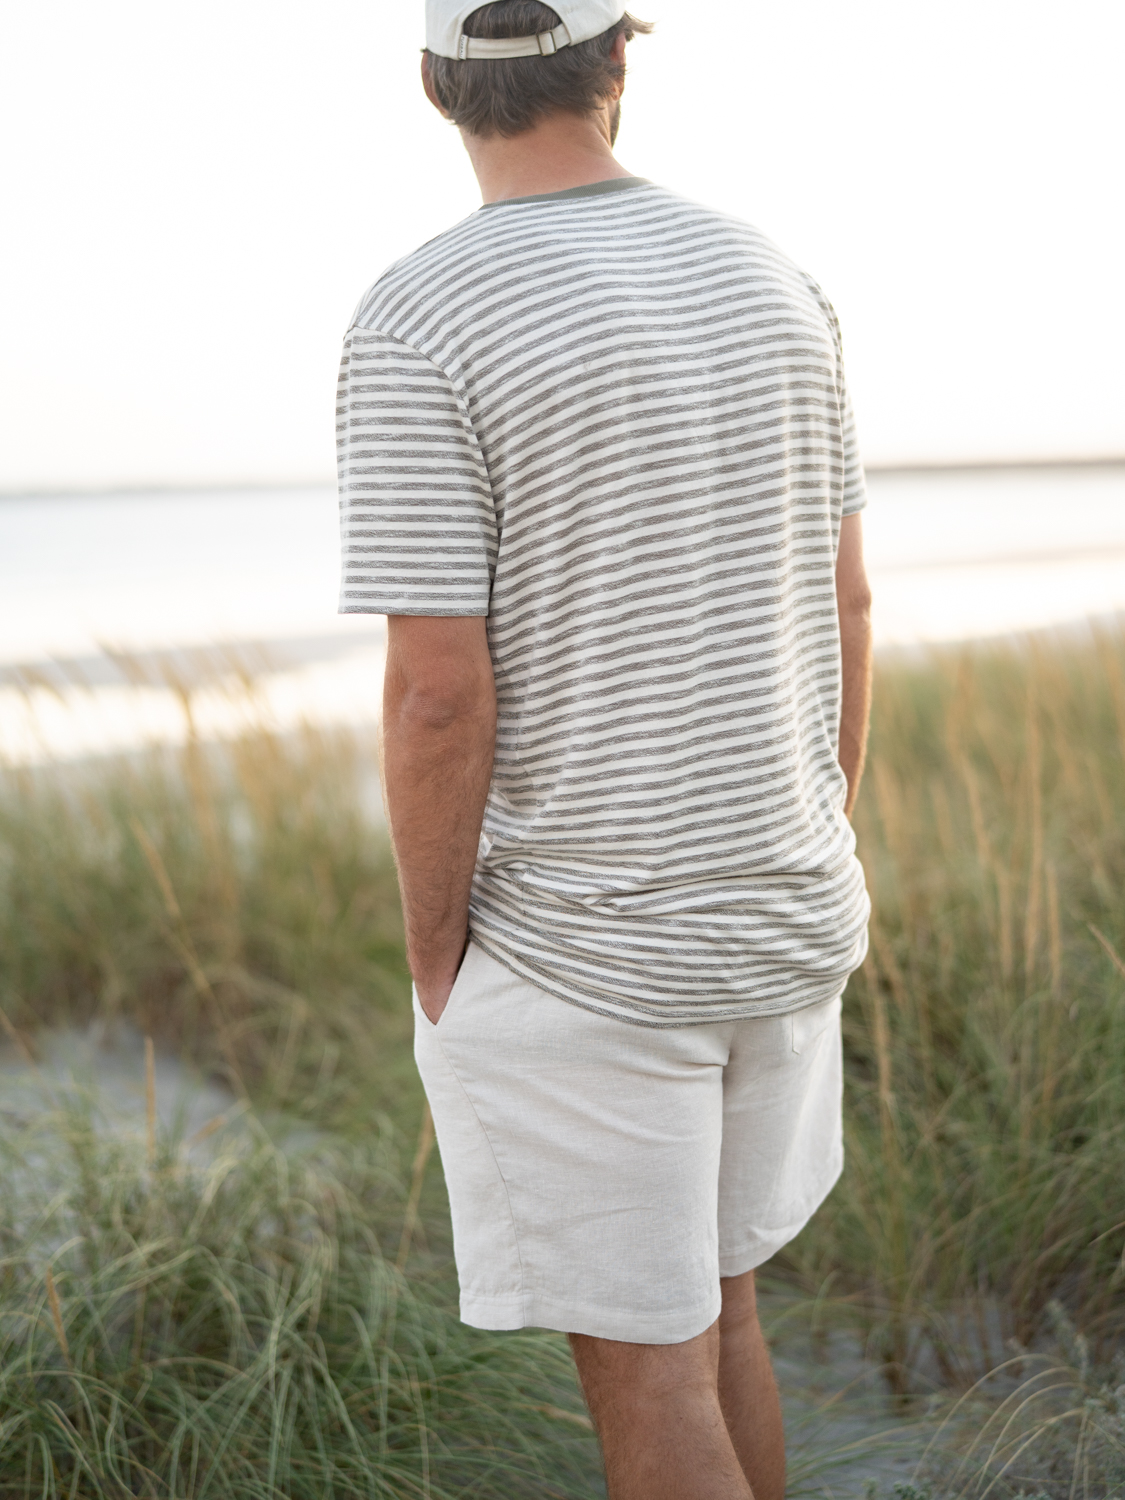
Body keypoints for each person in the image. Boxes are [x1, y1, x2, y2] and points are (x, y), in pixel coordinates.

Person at [336, 3, 873, 1495]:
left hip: (586, 952)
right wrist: (818, 835)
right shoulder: (777, 279)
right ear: (620, 58)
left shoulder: (420, 313)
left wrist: (436, 956)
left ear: (434, 82)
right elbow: (847, 601)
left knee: (649, 1382)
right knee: (724, 1319)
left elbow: (436, 694)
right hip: (785, 917)